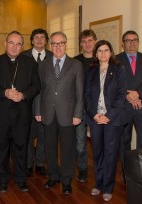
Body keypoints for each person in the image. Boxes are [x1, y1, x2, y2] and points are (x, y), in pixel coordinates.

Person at [0, 31, 40, 193]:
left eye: (18, 44)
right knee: (1, 149)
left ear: (22, 46)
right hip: (1, 115)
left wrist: (23, 95)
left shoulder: (30, 63)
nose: (14, 47)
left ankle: (20, 178)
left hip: (22, 114)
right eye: (11, 43)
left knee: (21, 147)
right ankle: (2, 179)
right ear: (5, 44)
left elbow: (36, 86)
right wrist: (4, 92)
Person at [35, 31, 84, 194]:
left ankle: (66, 180)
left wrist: (78, 114)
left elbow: (79, 92)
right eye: (54, 44)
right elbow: (39, 90)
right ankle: (53, 176)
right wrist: (37, 110)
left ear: (66, 44)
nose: (58, 47)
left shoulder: (76, 64)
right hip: (47, 112)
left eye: (61, 43)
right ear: (50, 45)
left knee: (68, 148)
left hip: (68, 114)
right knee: (49, 147)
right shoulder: (43, 64)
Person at [84, 40, 126, 201]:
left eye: (106, 50)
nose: (103, 53)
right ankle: (98, 184)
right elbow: (86, 96)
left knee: (110, 154)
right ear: (95, 54)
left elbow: (121, 95)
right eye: (100, 50)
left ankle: (108, 188)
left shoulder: (118, 69)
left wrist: (108, 116)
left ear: (111, 52)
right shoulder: (91, 71)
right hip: (95, 119)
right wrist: (94, 115)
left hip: (112, 119)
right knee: (97, 153)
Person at [117, 31, 142, 182]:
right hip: (123, 107)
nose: (132, 43)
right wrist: (128, 96)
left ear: (138, 42)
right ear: (123, 43)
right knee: (124, 142)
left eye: (135, 40)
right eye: (128, 40)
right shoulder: (116, 59)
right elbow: (114, 82)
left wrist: (137, 94)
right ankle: (126, 172)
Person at [22, 28, 52, 177]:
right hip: (26, 104)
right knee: (27, 136)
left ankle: (40, 164)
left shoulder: (53, 56)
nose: (39, 40)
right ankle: (27, 164)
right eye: (36, 37)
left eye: (42, 37)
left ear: (46, 41)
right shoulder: (23, 56)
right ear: (32, 41)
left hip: (47, 105)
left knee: (43, 137)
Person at [73, 29, 97, 182]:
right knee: (81, 143)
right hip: (80, 108)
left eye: (90, 41)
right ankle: (82, 169)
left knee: (99, 143)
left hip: (98, 109)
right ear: (80, 43)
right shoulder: (74, 62)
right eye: (84, 41)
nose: (87, 44)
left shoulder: (102, 58)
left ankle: (101, 170)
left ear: (95, 41)